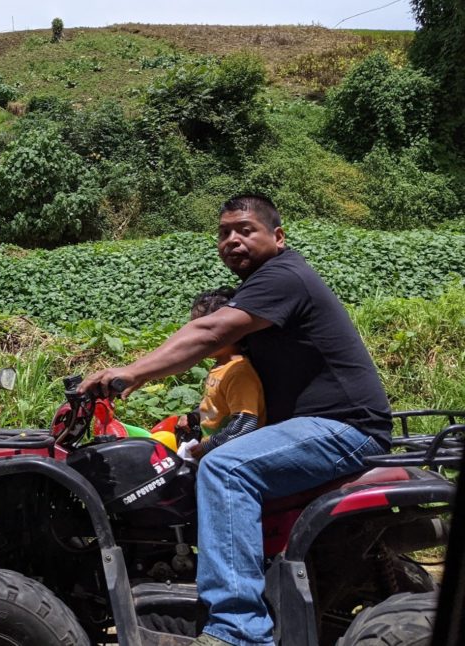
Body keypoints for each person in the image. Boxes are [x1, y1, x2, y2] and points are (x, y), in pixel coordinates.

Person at [79, 194, 392, 646]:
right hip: (317, 425)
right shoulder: (263, 285)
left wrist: (131, 371)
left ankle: (238, 631)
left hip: (344, 426)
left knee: (226, 468)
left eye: (246, 230)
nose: (232, 239)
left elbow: (209, 332)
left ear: (278, 237)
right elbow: (217, 351)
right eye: (224, 232)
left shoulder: (284, 275)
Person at [177, 287, 266, 460]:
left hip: (230, 455)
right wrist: (194, 416)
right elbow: (217, 404)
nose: (197, 338)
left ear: (232, 332)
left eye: (207, 330)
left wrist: (209, 446)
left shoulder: (239, 372)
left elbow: (245, 425)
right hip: (214, 446)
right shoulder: (220, 365)